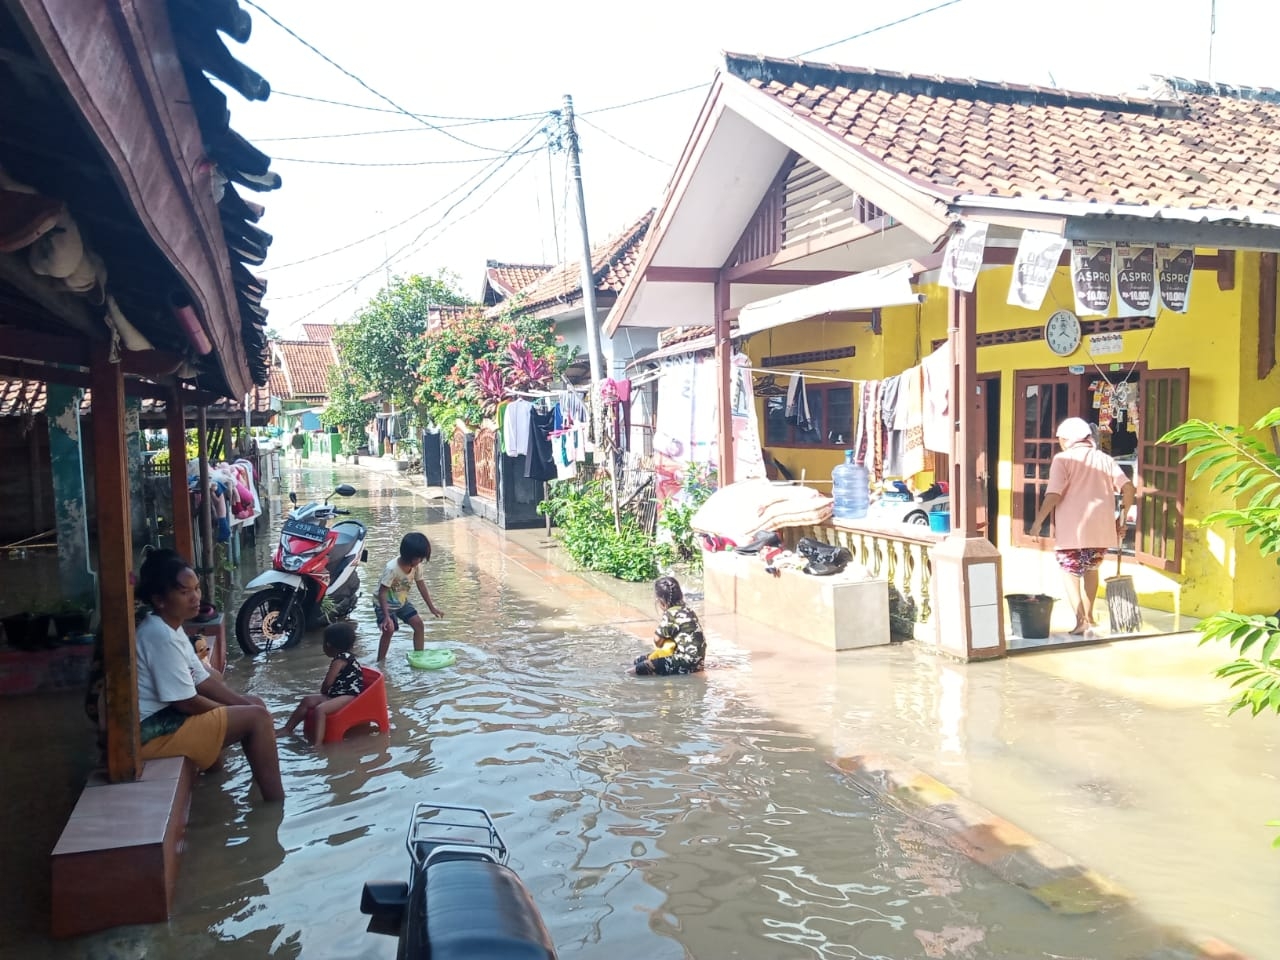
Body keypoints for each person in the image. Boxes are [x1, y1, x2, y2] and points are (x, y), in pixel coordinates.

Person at [134, 550, 283, 802]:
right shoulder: (159, 635)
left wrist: (241, 705)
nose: (195, 598)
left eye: (197, 589)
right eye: (184, 592)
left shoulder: (172, 627)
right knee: (256, 718)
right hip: (153, 732)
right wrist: (227, 712)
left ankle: (226, 782)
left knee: (255, 705)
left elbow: (204, 679)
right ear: (160, 600)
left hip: (169, 717)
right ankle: (275, 803)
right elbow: (186, 701)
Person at [1028, 416, 1136, 636]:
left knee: (1070, 572)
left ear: (1068, 439)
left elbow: (1054, 495)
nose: (1059, 443)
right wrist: (1120, 520)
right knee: (1091, 569)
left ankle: (1080, 620)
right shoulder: (1105, 459)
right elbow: (1129, 489)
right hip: (1101, 530)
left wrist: (1038, 522)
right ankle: (1089, 616)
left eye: (1060, 439)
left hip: (1072, 531)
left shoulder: (1063, 459)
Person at [277, 622, 365, 744]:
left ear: (328, 645)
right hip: (339, 694)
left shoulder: (340, 660)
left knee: (320, 710)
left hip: (349, 696)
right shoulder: (346, 657)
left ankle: (317, 744)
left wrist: (324, 692)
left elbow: (328, 682)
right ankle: (288, 729)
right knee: (307, 700)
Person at [376, 531, 443, 660]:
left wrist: (432, 607)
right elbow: (382, 592)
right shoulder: (392, 569)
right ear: (409, 556)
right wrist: (386, 617)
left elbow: (421, 586)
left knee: (418, 625)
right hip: (384, 603)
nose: (421, 561)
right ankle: (381, 662)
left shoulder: (416, 566)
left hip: (401, 601)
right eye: (419, 558)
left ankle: (419, 656)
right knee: (388, 630)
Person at [635, 576, 706, 676]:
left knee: (640, 668)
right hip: (697, 662)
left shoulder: (670, 614)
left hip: (686, 663)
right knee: (641, 659)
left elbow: (657, 641)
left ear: (661, 601)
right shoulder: (688, 610)